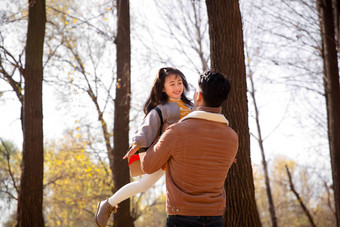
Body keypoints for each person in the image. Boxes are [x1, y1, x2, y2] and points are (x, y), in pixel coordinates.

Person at [95, 67, 193, 227]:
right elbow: (146, 128)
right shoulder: (161, 109)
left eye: (179, 83)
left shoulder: (193, 108)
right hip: (166, 155)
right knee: (143, 185)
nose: (177, 87)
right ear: (163, 88)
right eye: (172, 84)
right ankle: (108, 203)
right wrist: (136, 144)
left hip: (188, 158)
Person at [141, 70, 239, 227]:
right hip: (215, 218)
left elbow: (148, 166)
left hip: (181, 217)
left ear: (198, 96)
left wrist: (162, 134)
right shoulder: (232, 137)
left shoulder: (176, 132)